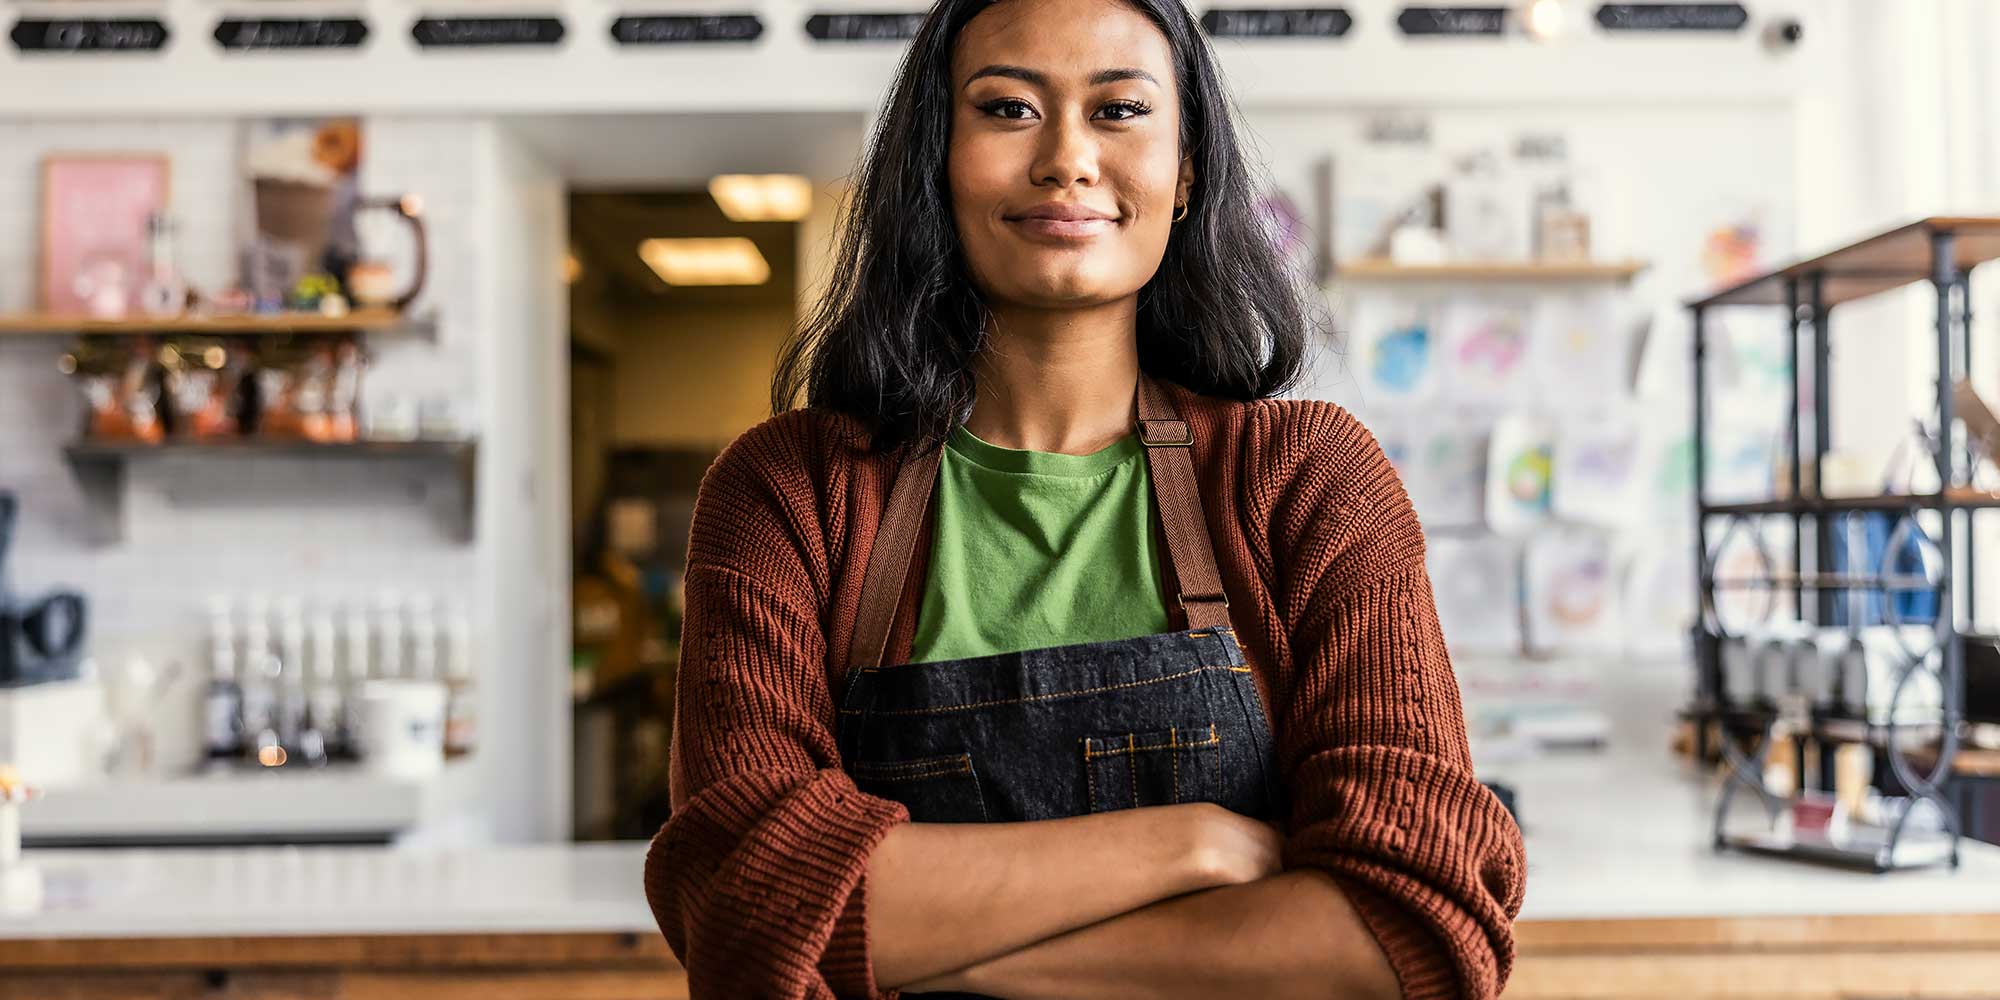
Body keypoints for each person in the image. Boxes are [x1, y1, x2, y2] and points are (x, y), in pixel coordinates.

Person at [643, 1, 1526, 997]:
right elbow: (742, 898)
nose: (1066, 158)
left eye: (1119, 110)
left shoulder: (1306, 481)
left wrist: (923, 943)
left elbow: (1408, 926)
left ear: (1185, 170)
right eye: (1008, 109)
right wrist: (1186, 846)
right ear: (936, 160)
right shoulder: (789, 494)